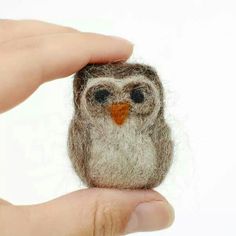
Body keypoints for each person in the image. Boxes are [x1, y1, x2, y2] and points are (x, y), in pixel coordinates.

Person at [0, 20, 174, 236]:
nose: (119, 107)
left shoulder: (155, 130)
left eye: (137, 96)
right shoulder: (84, 129)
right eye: (102, 96)